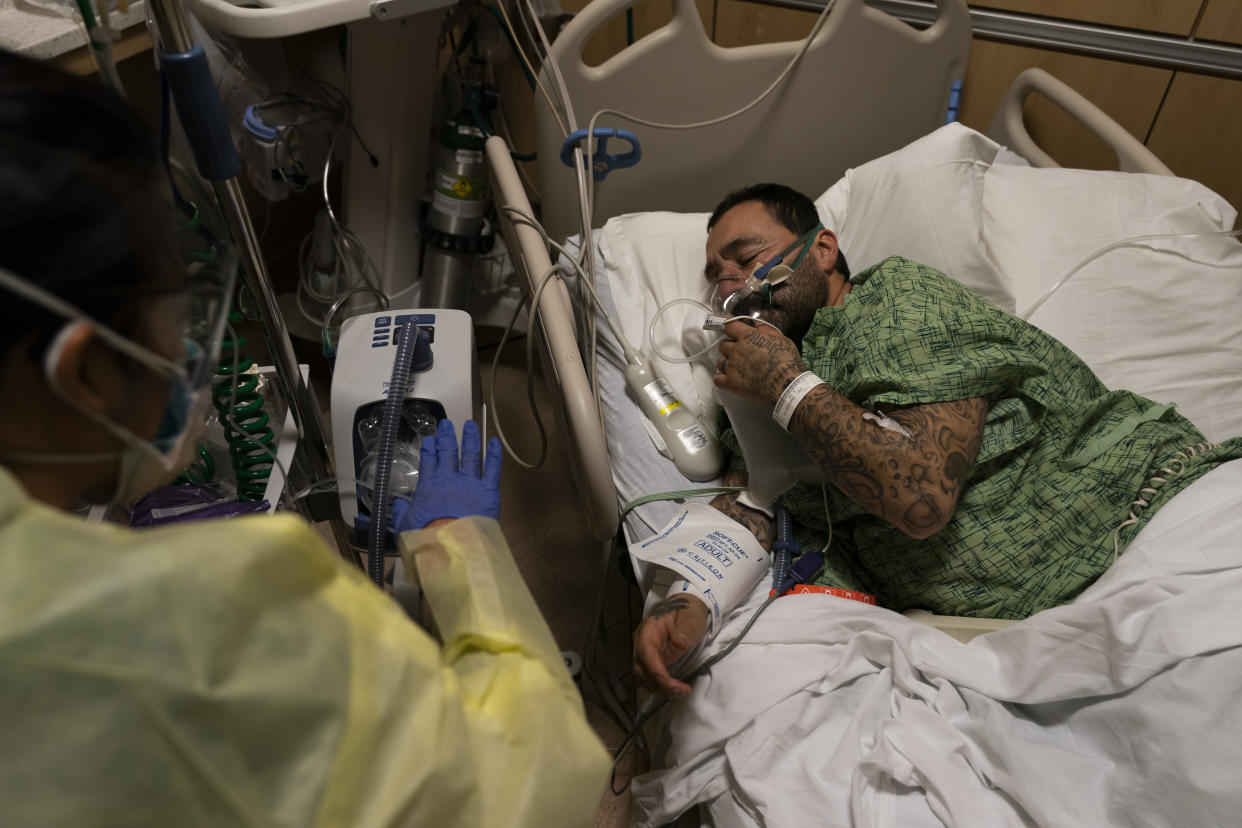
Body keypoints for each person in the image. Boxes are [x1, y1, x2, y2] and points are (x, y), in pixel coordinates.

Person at [0, 51, 608, 825]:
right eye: (177, 313)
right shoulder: (219, 620)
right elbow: (534, 785)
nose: (197, 343)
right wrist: (465, 546)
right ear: (83, 373)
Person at [634, 182, 1242, 697]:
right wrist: (691, 598)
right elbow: (755, 504)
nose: (729, 284)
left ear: (821, 250)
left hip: (1143, 521)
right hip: (1016, 632)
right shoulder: (744, 393)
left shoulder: (893, 303)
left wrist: (787, 385)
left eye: (746, 257)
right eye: (717, 275)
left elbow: (921, 497)